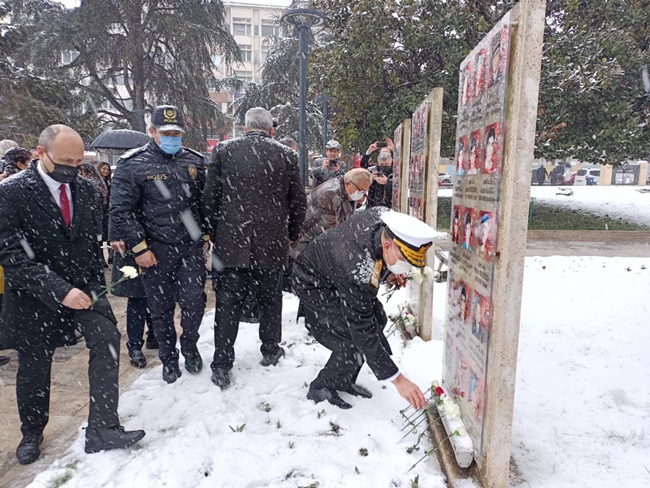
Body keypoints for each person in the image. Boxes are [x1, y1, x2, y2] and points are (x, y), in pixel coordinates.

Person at [0, 124, 145, 464]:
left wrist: (93, 284)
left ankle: (103, 427)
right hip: (34, 295)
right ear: (41, 153)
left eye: (79, 162)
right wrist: (59, 290)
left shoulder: (88, 189)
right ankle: (32, 431)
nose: (73, 169)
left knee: (108, 339)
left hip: (85, 287)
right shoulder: (12, 192)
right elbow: (11, 255)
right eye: (66, 161)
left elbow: (87, 244)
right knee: (35, 364)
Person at [204, 107, 307, 390]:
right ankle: (270, 349)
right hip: (271, 242)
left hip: (231, 242)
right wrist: (290, 234)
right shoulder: (286, 155)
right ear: (271, 130)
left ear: (245, 127)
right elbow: (298, 201)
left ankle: (222, 363)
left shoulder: (224, 151)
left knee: (228, 304)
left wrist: (213, 233)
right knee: (271, 299)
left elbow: (210, 198)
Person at [292, 207, 434, 410]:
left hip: (334, 271)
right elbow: (362, 328)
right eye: (404, 262)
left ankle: (343, 379)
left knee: (379, 319)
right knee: (350, 341)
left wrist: (389, 270)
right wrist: (398, 379)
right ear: (387, 245)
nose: (406, 268)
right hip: (313, 282)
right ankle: (321, 387)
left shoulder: (383, 218)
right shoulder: (357, 268)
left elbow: (374, 254)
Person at [109, 105, 209, 384]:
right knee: (160, 308)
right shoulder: (133, 164)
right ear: (151, 131)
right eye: (166, 133)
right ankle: (168, 357)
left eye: (177, 133)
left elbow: (202, 202)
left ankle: (190, 346)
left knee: (194, 302)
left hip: (189, 246)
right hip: (155, 249)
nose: (172, 138)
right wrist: (139, 248)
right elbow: (121, 210)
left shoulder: (193, 160)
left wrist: (206, 235)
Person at [289, 168, 371, 259]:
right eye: (360, 191)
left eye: (365, 191)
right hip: (305, 239)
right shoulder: (331, 193)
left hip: (318, 240)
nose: (361, 194)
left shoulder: (348, 189)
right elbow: (332, 230)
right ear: (348, 183)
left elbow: (347, 212)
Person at [360, 139, 395, 208]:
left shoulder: (396, 170)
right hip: (373, 205)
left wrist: (388, 182)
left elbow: (401, 184)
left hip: (390, 207)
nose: (384, 156)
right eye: (382, 154)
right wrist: (369, 151)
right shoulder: (373, 170)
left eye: (387, 154)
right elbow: (363, 165)